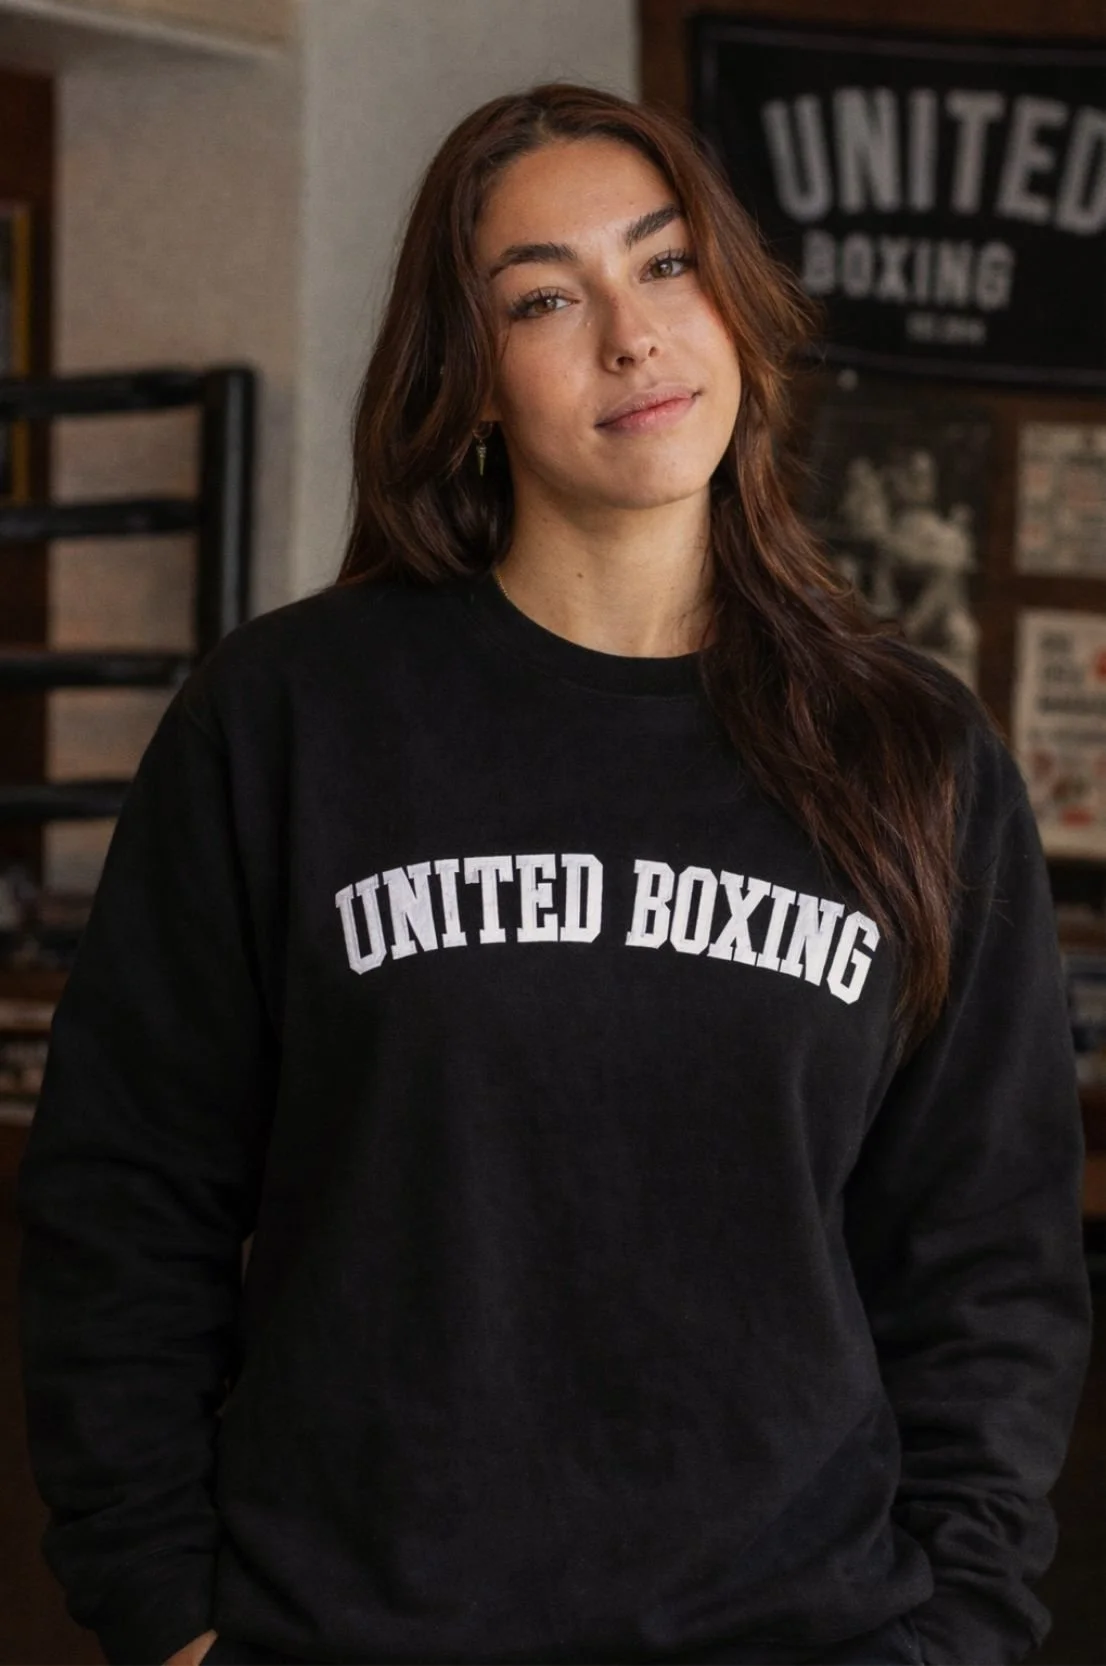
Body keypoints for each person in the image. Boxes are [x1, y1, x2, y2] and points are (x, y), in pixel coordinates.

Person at [16, 82, 1093, 1666]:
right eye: (544, 298)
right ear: (467, 382)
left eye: (666, 265)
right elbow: (124, 1199)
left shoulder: (909, 751)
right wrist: (167, 1613)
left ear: (736, 309)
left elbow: (989, 1261)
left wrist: (951, 1637)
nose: (631, 335)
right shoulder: (292, 716)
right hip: (352, 1627)